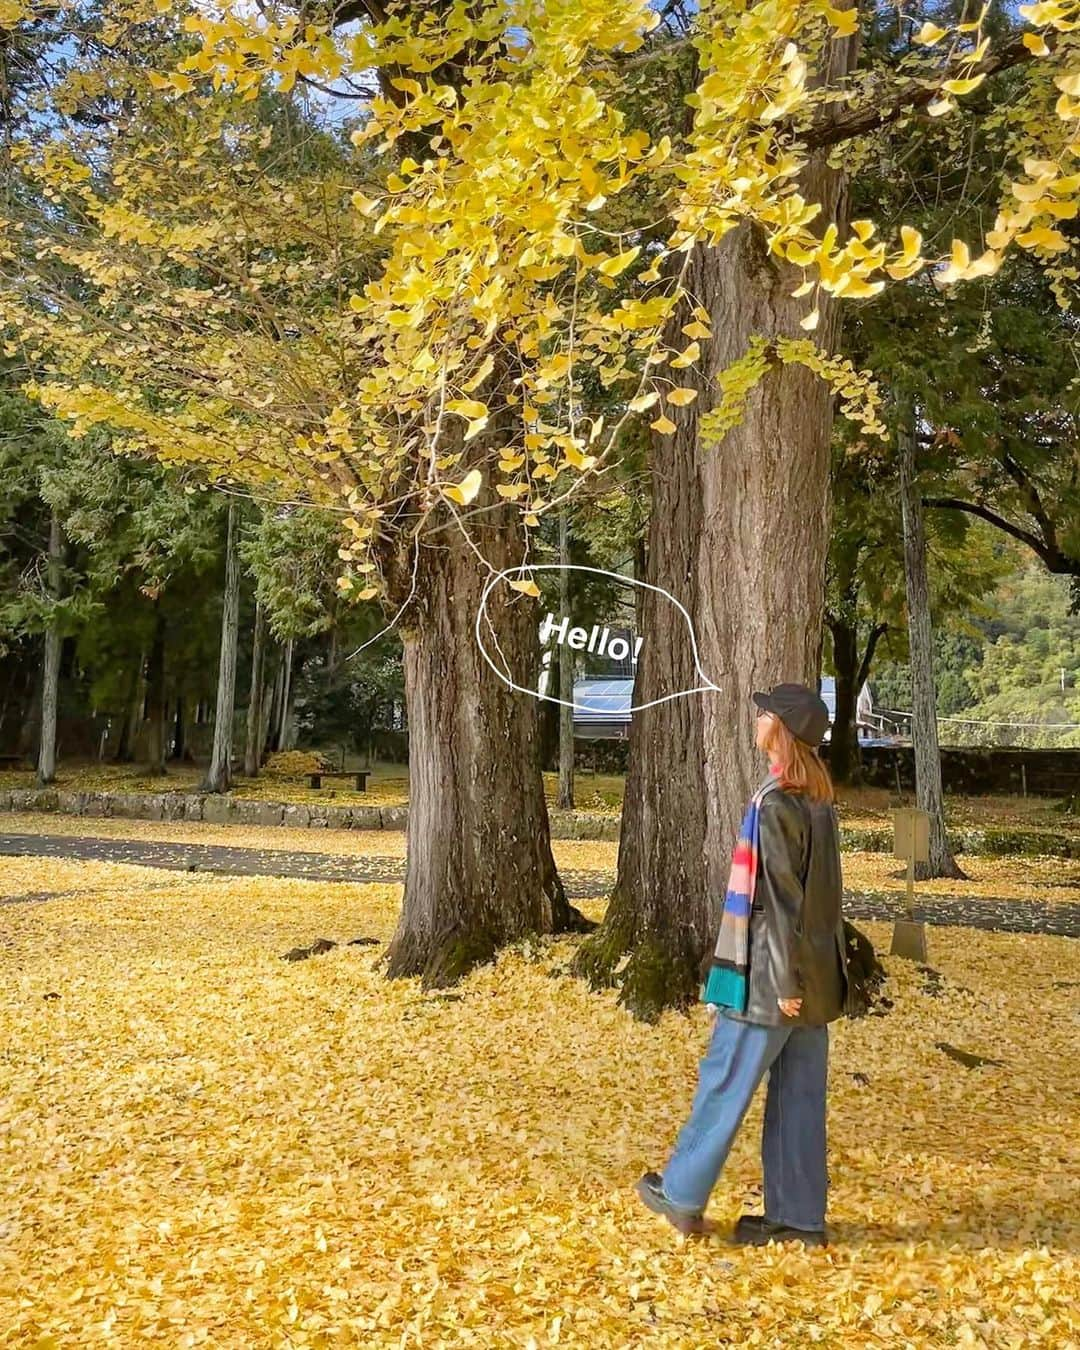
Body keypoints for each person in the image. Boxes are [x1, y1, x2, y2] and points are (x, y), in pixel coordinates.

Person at [635, 682, 849, 1247]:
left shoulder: (778, 802)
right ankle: (798, 1220)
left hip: (773, 978)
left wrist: (783, 982)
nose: (756, 718)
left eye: (765, 713)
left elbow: (781, 903)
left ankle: (681, 1193)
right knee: (799, 1099)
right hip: (814, 975)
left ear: (783, 731)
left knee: (726, 1078)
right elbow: (821, 901)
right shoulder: (816, 799)